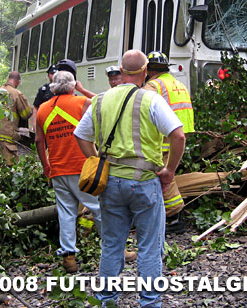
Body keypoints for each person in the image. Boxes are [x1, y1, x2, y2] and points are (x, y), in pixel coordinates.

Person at [74, 50, 185, 308]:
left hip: (110, 183)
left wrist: (95, 162)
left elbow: (80, 135)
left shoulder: (99, 101)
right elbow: (178, 136)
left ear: (121, 72)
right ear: (145, 72)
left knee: (112, 245)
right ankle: (149, 303)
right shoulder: (151, 100)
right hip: (145, 182)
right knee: (149, 246)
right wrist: (169, 171)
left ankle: (107, 301)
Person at [35, 70, 102, 273]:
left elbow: (39, 141)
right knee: (98, 208)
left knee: (66, 213)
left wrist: (46, 166)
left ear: (53, 87)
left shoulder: (42, 110)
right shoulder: (83, 103)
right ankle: (115, 249)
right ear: (73, 85)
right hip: (82, 167)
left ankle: (69, 257)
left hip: (57, 169)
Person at [144, 51, 195, 234]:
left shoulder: (153, 85)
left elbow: (143, 109)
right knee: (166, 172)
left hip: (166, 135)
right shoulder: (177, 83)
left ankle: (174, 217)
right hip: (182, 131)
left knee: (163, 173)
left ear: (148, 70)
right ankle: (171, 217)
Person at [0, 71, 33, 166]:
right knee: (8, 167)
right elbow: (26, 114)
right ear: (17, 82)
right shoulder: (16, 94)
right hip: (7, 140)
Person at [31, 64, 58, 135]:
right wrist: (34, 124)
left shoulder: (63, 89)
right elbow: (36, 107)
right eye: (51, 73)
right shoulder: (43, 90)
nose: (53, 75)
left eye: (55, 73)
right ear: (48, 75)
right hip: (45, 123)